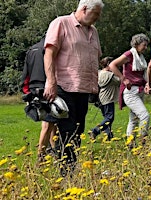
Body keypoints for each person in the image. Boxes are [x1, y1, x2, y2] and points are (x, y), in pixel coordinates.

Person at [43, 0, 104, 176]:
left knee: (78, 131)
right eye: (96, 14)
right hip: (64, 86)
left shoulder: (93, 32)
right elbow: (49, 54)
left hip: (84, 89)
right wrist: (51, 82)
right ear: (84, 9)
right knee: (67, 131)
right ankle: (66, 173)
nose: (98, 18)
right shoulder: (61, 23)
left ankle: (69, 167)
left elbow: (94, 58)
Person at [108, 33, 150, 146]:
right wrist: (123, 79)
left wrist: (146, 84)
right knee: (145, 115)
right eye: (144, 45)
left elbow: (142, 76)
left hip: (139, 91)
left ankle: (130, 144)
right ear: (136, 44)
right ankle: (143, 142)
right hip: (130, 92)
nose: (146, 48)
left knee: (134, 119)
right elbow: (112, 65)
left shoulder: (140, 57)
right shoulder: (129, 54)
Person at [20, 35, 56, 163]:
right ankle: (40, 157)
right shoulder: (49, 49)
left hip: (34, 88)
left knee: (52, 122)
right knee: (48, 124)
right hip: (47, 87)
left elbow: (26, 72)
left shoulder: (31, 50)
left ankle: (53, 149)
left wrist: (26, 89)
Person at [90, 57, 120, 141]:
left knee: (106, 117)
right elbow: (119, 81)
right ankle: (95, 131)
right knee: (109, 118)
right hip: (108, 98)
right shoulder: (110, 75)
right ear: (109, 64)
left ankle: (109, 135)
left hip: (100, 98)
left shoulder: (99, 73)